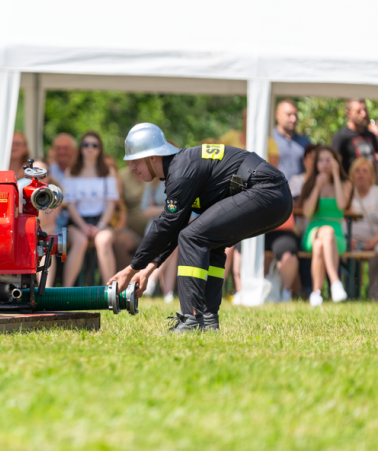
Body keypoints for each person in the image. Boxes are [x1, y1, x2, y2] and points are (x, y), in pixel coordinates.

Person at [110, 123, 292, 332]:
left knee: (193, 236)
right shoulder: (180, 167)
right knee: (206, 239)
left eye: (135, 161)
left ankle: (190, 319)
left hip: (268, 191)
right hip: (275, 195)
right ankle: (207, 319)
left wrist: (131, 269)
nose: (132, 168)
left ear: (153, 157)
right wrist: (147, 269)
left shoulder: (181, 172)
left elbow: (166, 225)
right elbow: (174, 227)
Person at [61, 131, 119, 286]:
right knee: (80, 241)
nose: (90, 148)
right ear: (80, 148)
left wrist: (99, 226)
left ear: (100, 149)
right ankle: (66, 291)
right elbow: (71, 205)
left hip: (102, 221)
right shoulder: (72, 172)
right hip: (77, 223)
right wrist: (83, 226)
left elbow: (110, 204)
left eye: (95, 145)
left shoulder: (108, 172)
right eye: (86, 144)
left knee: (103, 241)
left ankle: (111, 290)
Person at [300, 145, 351, 306]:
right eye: (320, 160)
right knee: (324, 233)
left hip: (337, 234)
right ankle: (335, 282)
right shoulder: (309, 184)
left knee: (320, 244)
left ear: (335, 162)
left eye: (328, 160)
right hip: (313, 229)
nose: (324, 164)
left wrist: (335, 176)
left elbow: (342, 204)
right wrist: (317, 187)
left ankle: (316, 293)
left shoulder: (345, 183)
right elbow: (307, 213)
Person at [348, 157, 378, 301]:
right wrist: (349, 240)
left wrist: (373, 241)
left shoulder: (376, 193)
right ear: (352, 175)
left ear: (371, 176)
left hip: (374, 240)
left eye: (365, 171)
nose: (361, 174)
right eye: (357, 171)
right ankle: (350, 295)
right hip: (350, 239)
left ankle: (374, 295)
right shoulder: (346, 193)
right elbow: (340, 219)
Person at [332, 99, 378, 174]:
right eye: (358, 111)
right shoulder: (341, 137)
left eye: (365, 110)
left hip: (371, 184)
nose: (364, 114)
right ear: (348, 113)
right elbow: (335, 166)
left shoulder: (371, 136)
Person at [273, 99, 311, 180]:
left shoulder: (305, 142)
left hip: (299, 191)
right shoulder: (269, 139)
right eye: (289, 115)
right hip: (274, 190)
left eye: (295, 115)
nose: (293, 119)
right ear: (278, 115)